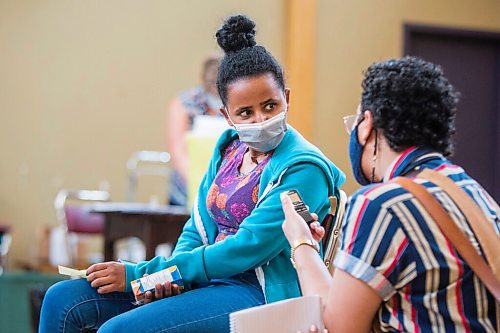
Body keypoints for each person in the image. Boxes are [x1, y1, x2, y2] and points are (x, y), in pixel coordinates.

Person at [39, 14, 345, 333]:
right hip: (208, 281)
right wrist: (169, 280)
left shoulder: (304, 167)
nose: (260, 119)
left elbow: (247, 247)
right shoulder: (229, 149)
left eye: (270, 106)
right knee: (63, 299)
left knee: (119, 331)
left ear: (287, 99)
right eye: (245, 112)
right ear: (226, 116)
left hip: (259, 293)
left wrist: (146, 275)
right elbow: (197, 226)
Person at [281, 56, 499, 332]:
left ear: (367, 125)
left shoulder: (380, 204)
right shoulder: (471, 189)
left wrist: (301, 243)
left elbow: (338, 327)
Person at [166, 54, 223, 206]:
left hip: (224, 193)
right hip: (186, 194)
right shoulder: (184, 103)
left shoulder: (236, 103)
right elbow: (178, 151)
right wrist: (201, 184)